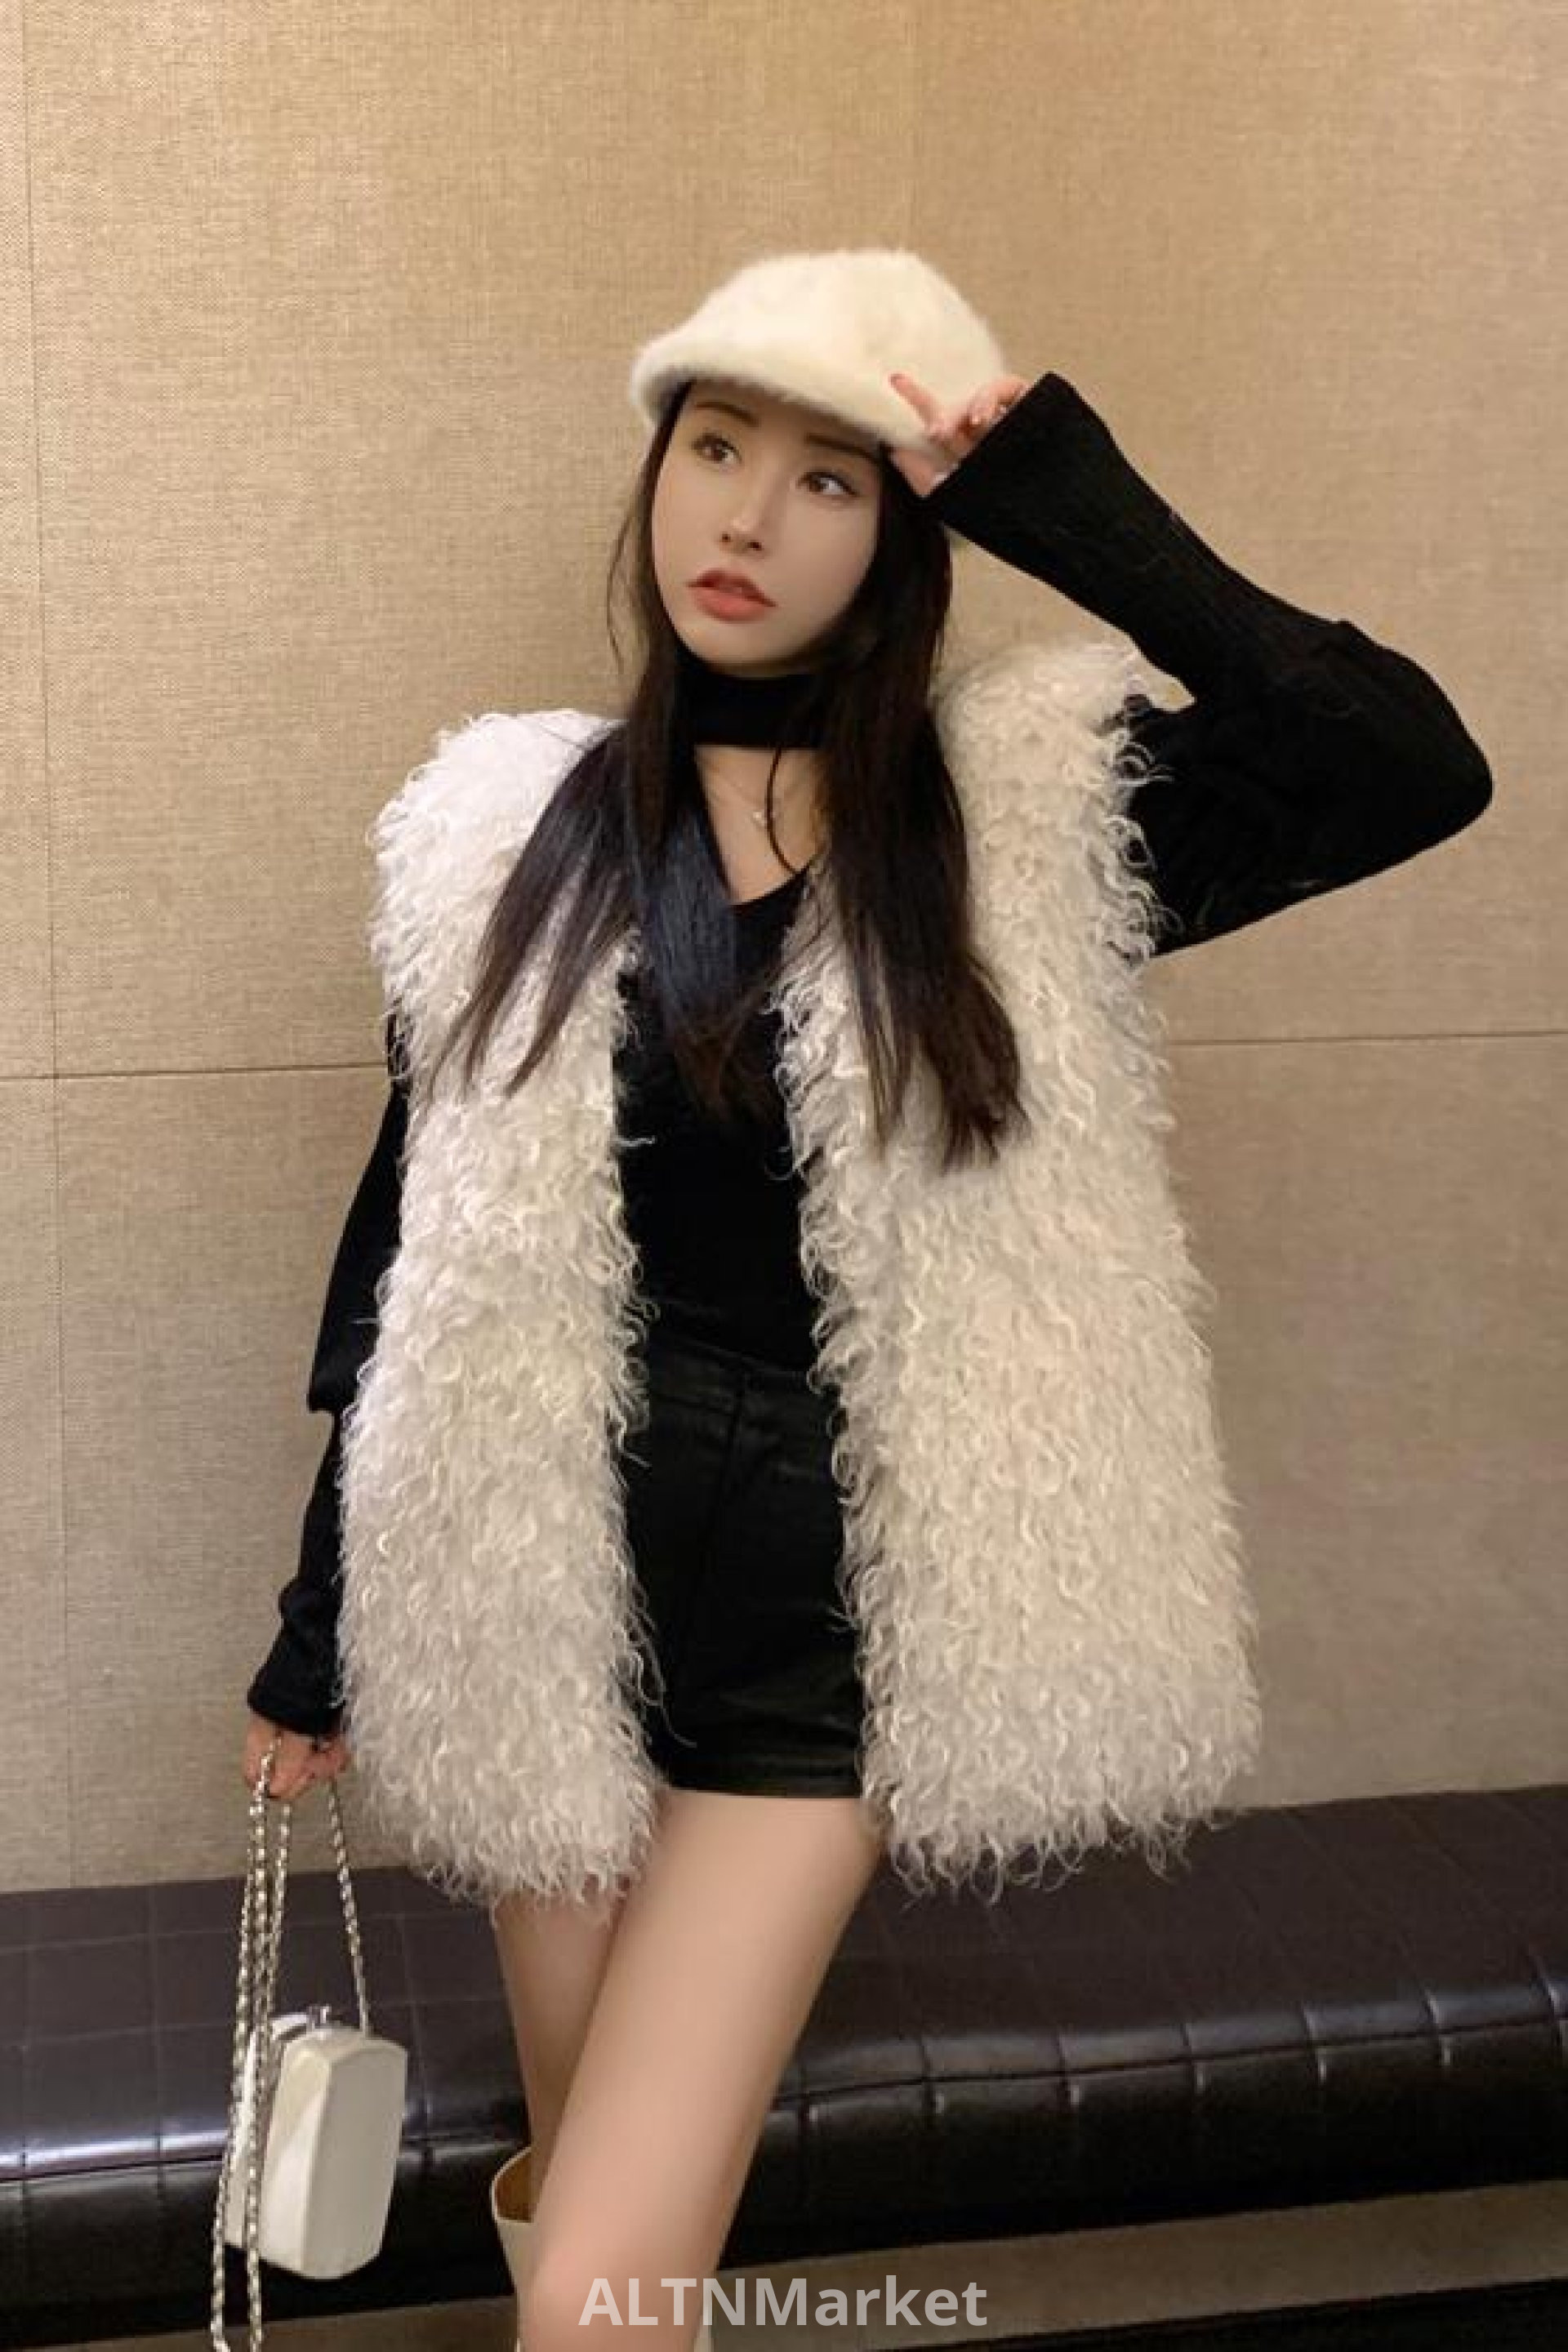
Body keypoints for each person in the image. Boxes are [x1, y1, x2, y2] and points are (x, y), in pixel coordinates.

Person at [240, 249, 1492, 2352]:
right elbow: (404, 1250)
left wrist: (1065, 497)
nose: (744, 516)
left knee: (600, 2299)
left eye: (828, 478)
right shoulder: (496, 828)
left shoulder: (1020, 824)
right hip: (526, 1602)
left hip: (809, 1662)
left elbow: (1403, 765)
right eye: (715, 448)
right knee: (594, 2213)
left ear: (907, 534)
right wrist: (313, 1629)